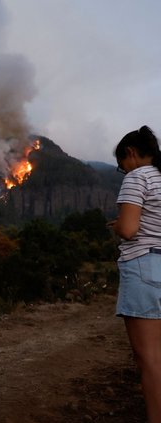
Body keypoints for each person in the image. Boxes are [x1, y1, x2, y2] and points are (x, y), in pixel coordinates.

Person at [111, 126, 161, 423]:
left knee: (150, 360)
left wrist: (117, 225)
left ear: (130, 153)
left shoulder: (137, 177)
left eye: (120, 166)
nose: (122, 171)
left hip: (145, 268)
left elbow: (129, 230)